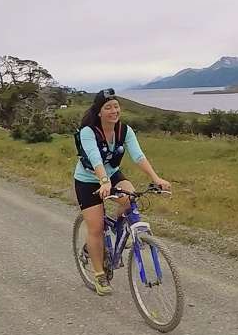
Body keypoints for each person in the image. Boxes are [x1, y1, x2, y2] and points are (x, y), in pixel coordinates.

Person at [73, 88, 171, 296]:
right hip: (88, 180)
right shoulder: (88, 131)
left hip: (112, 174)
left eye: (116, 106)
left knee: (130, 199)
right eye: (108, 107)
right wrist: (103, 181)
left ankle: (120, 230)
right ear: (99, 112)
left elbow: (138, 156)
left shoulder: (125, 130)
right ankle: (99, 274)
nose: (113, 111)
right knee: (96, 227)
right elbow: (94, 157)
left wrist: (156, 179)